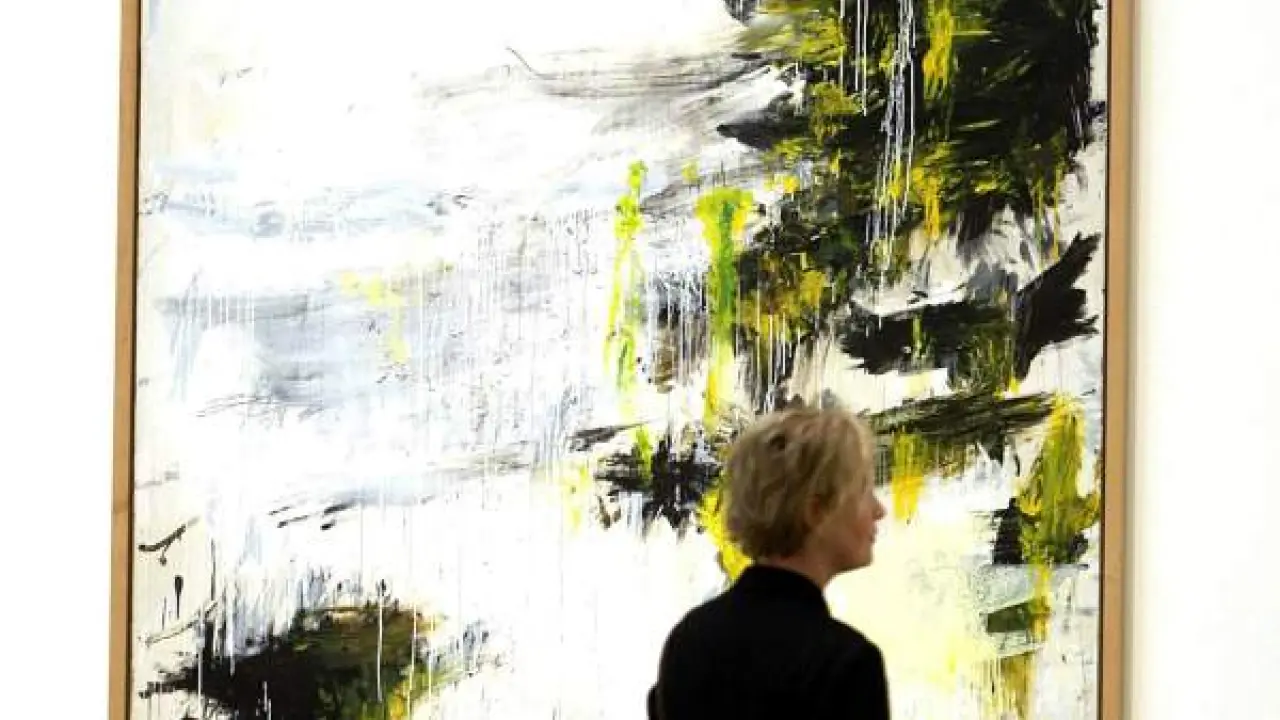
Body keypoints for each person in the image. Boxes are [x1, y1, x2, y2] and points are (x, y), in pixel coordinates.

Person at [647, 404, 890, 719]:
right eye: (864, 491)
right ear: (816, 510)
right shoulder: (846, 664)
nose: (879, 510)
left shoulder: (689, 640)